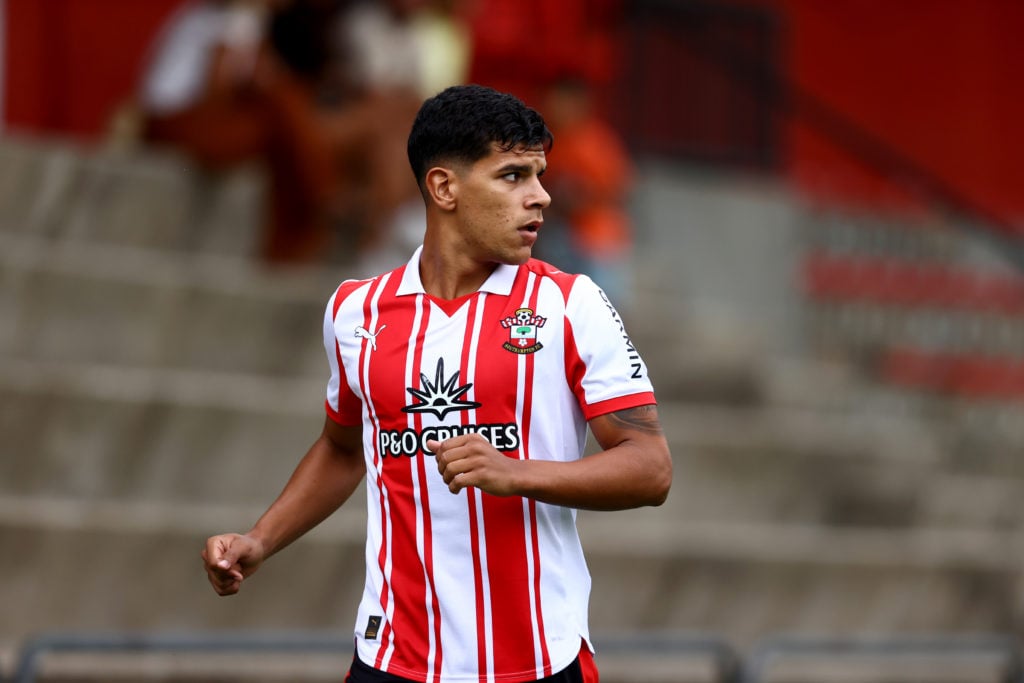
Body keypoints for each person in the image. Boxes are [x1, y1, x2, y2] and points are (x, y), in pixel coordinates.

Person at [202, 84, 672, 683]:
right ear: (444, 187)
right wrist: (261, 539)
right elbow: (344, 449)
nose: (541, 197)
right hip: (392, 658)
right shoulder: (356, 312)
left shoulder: (571, 305)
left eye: (539, 174)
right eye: (512, 176)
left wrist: (516, 472)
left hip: (535, 660)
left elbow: (651, 468)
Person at [137, 0, 348, 263]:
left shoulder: (247, 21)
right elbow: (214, 96)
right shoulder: (231, 18)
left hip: (201, 123)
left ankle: (317, 203)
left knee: (282, 111)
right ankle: (324, 198)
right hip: (173, 124)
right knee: (282, 104)